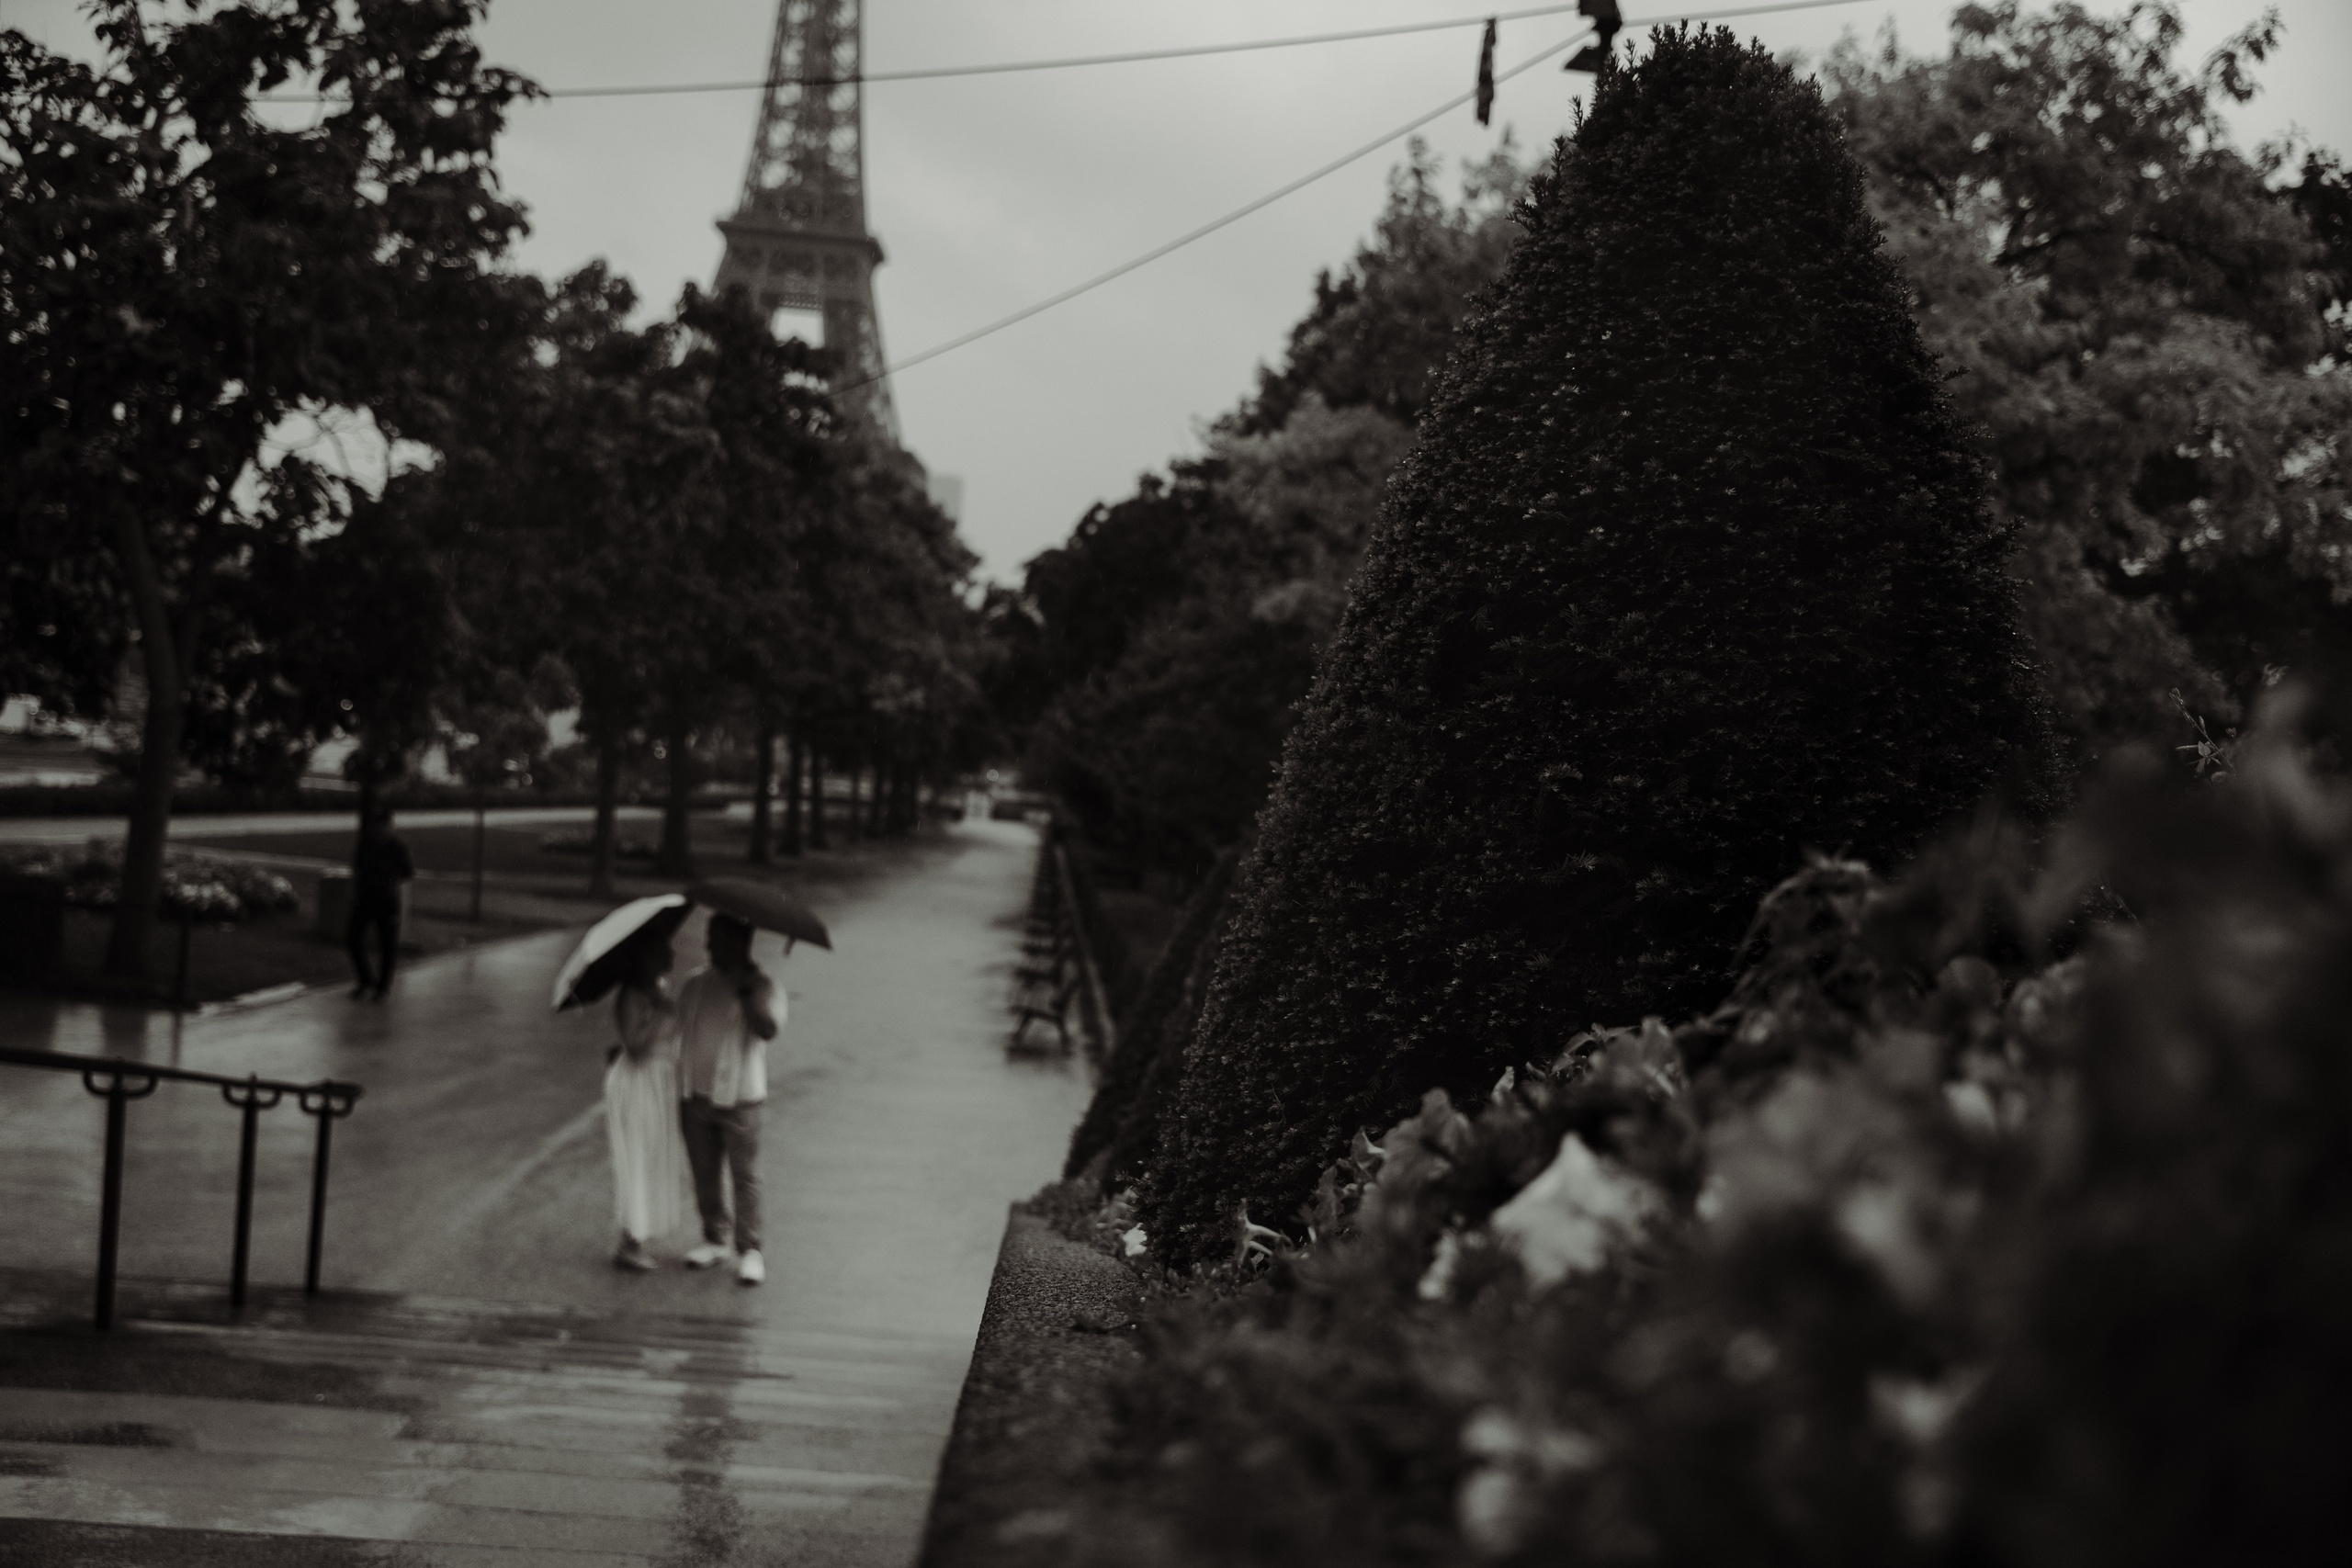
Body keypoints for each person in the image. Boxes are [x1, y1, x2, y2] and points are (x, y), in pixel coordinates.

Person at [675, 913, 781, 1285]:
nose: (708, 945)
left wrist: (746, 991)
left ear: (739, 942)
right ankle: (713, 1237)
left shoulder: (765, 985)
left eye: (715, 938)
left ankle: (750, 1249)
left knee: (746, 1175)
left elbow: (768, 1028)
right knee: (704, 1172)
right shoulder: (697, 982)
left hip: (742, 1100)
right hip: (696, 1095)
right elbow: (674, 1024)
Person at [605, 931, 688, 1270]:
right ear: (644, 958)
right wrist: (658, 1013)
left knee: (654, 1157)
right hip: (638, 1082)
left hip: (660, 1080)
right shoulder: (632, 995)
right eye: (662, 948)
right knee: (637, 1156)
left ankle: (639, 1234)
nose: (671, 952)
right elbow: (635, 1047)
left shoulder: (659, 987)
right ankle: (629, 1242)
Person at [348, 805, 413, 1000]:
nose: (380, 829)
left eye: (384, 825)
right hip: (365, 898)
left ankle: (382, 987)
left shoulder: (397, 847)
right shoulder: (366, 845)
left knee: (387, 944)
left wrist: (388, 877)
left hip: (386, 901)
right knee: (352, 938)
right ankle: (366, 979)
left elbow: (407, 872)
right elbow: (357, 867)